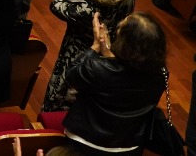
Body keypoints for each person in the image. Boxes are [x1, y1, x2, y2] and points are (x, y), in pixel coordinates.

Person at [57, 12, 169, 154]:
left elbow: (72, 75)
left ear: (127, 44)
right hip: (129, 146)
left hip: (84, 142)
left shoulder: (97, 68)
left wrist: (96, 45)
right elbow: (126, 75)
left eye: (119, 30)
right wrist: (108, 52)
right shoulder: (161, 74)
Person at [44, 0, 140, 111]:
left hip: (78, 56)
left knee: (61, 99)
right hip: (106, 56)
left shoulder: (87, 8)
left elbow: (56, 4)